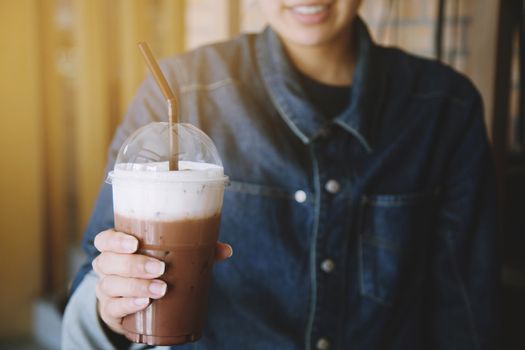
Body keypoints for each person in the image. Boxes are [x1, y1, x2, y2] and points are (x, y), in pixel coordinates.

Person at [62, 0, 499, 349]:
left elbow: (464, 311)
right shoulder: (183, 90)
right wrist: (114, 302)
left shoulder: (446, 107)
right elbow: (101, 272)